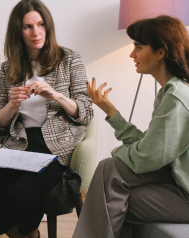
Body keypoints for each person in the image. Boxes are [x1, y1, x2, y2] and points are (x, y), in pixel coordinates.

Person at [0, 0, 93, 237]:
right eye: (28, 27)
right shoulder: (9, 69)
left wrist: (56, 96)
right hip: (19, 142)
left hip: (56, 145)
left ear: (48, 26)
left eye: (40, 24)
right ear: (18, 31)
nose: (36, 32)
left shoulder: (70, 59)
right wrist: (12, 103)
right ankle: (27, 235)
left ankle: (25, 233)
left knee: (24, 192)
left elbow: (86, 112)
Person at [73, 15, 189, 238]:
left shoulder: (177, 96)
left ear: (161, 52)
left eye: (138, 46)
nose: (131, 54)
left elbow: (149, 156)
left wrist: (118, 152)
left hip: (184, 193)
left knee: (111, 174)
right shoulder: (170, 91)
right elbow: (151, 147)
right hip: (176, 182)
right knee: (114, 191)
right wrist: (110, 111)